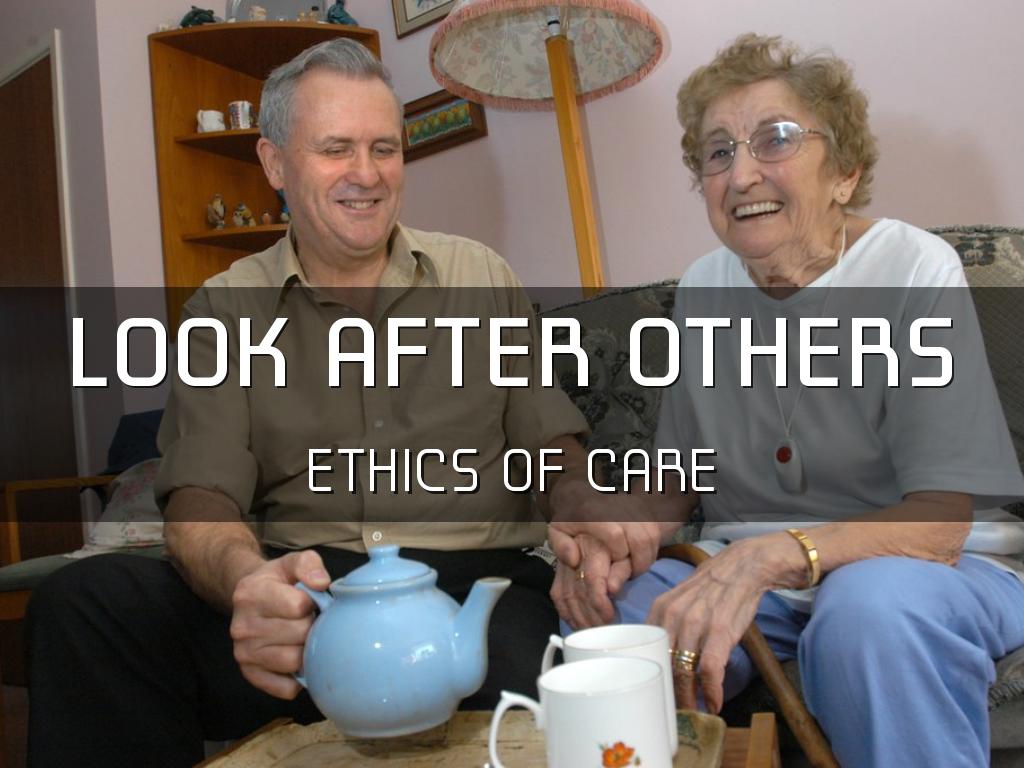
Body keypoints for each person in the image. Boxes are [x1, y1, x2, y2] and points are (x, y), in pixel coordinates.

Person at [26, 39, 589, 768]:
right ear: (274, 163)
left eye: (384, 148)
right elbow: (200, 496)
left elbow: (551, 445)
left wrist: (581, 507)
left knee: (535, 688)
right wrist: (249, 584)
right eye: (335, 149)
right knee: (85, 604)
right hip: (302, 595)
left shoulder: (479, 274)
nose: (367, 174)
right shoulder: (224, 308)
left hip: (468, 589)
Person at [547, 34, 1024, 767]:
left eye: (775, 140)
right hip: (756, 573)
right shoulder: (704, 289)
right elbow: (680, 479)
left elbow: (940, 524)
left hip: (925, 572)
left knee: (867, 613)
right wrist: (609, 538)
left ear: (844, 171)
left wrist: (774, 556)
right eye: (717, 152)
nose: (741, 174)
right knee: (620, 623)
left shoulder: (911, 269)